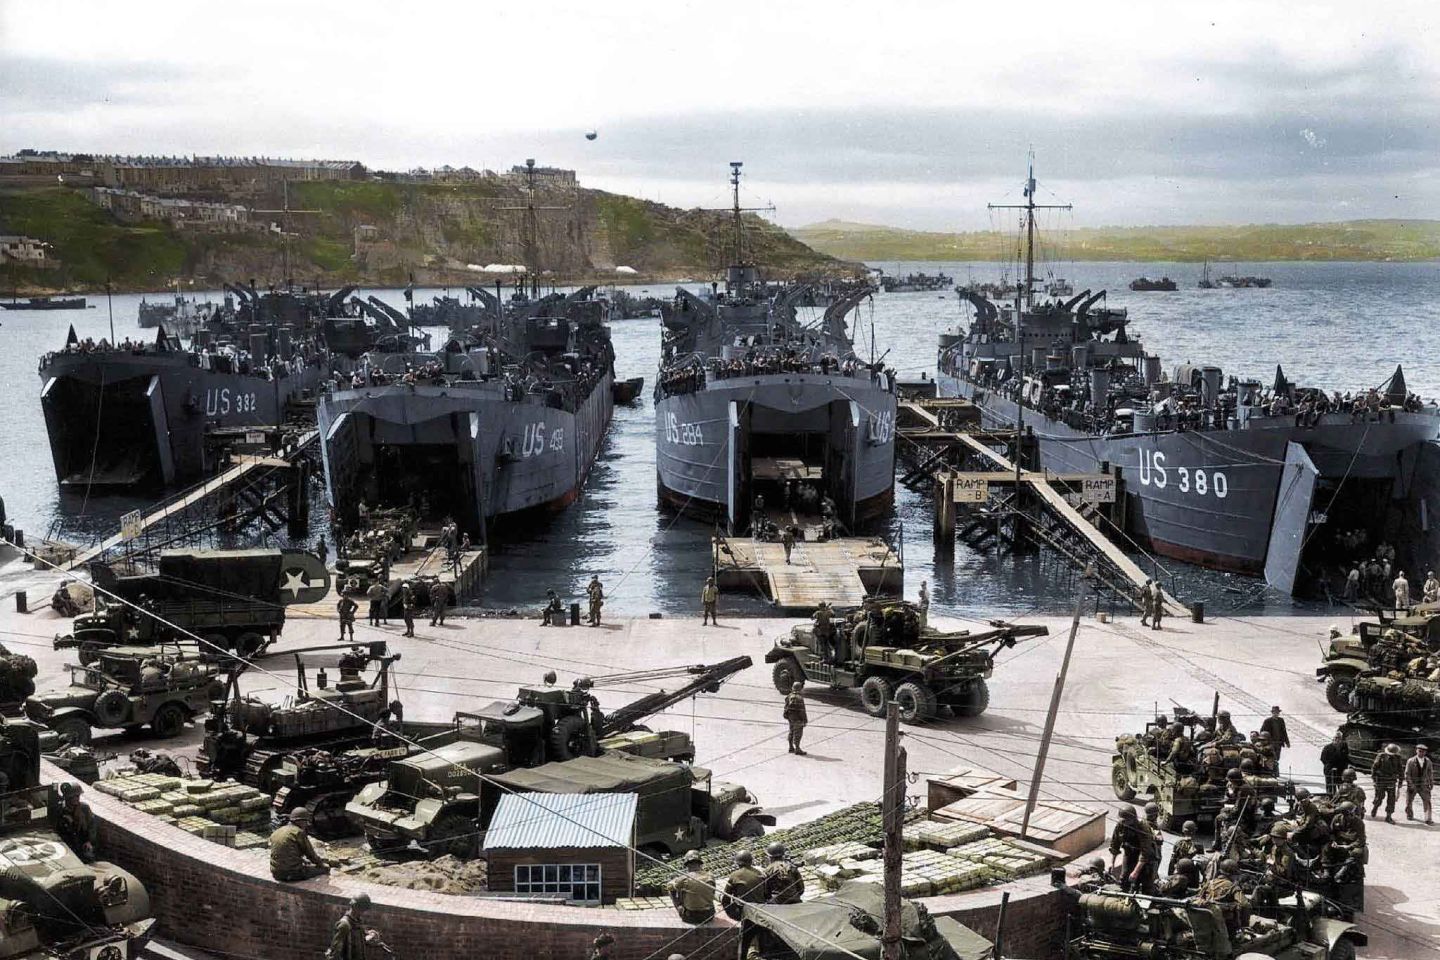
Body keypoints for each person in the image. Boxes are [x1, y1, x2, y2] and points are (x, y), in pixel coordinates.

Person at [269, 807, 334, 881]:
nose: (307, 824)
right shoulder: (298, 832)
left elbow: (284, 852)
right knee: (323, 870)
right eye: (306, 822)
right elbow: (310, 854)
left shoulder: (278, 831)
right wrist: (322, 865)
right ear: (300, 821)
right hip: (293, 873)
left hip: (276, 873)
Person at [325, 892, 389, 960]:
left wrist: (371, 935)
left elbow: (358, 940)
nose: (363, 912)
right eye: (362, 909)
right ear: (355, 906)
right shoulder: (345, 925)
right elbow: (335, 953)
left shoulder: (357, 922)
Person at [667, 851, 715, 924]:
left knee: (672, 890)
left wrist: (674, 881)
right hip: (709, 916)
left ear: (687, 865)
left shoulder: (684, 878)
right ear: (700, 864)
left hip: (690, 917)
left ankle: (680, 908)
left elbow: (669, 887)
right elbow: (713, 892)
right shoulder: (710, 876)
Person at [721, 850, 768, 920]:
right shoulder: (759, 873)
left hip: (744, 911)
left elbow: (726, 897)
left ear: (737, 863)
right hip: (760, 909)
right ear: (751, 861)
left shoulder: (735, 875)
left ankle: (738, 918)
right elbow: (766, 894)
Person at [56, 783, 95, 862]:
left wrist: (89, 841)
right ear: (67, 798)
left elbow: (92, 826)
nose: (77, 799)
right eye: (74, 797)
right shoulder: (60, 810)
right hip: (66, 845)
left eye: (78, 796)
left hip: (82, 843)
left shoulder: (84, 808)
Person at [1371, 742, 1404, 823]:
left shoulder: (1398, 758)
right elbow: (1374, 768)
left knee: (1391, 800)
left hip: (1392, 781)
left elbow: (1400, 770)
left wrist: (1400, 781)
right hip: (1381, 780)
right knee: (1379, 797)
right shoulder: (1381, 756)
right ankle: (1375, 807)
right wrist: (1374, 780)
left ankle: (1388, 816)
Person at [1405, 742, 1434, 824]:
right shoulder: (1410, 761)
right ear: (1416, 751)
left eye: (1423, 751)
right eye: (1420, 751)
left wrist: (1431, 783)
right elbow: (1407, 774)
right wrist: (1411, 784)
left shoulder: (1428, 761)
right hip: (1413, 784)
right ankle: (1409, 815)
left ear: (1425, 752)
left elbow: (1430, 773)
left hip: (1424, 785)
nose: (1421, 753)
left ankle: (1428, 818)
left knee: (1427, 801)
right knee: (1409, 801)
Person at [784, 682, 808, 755]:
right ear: (800, 689)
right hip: (798, 718)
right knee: (798, 733)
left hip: (790, 717)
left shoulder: (789, 696)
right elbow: (802, 711)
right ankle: (797, 749)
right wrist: (805, 720)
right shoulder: (800, 698)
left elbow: (786, 706)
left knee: (791, 731)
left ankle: (791, 747)